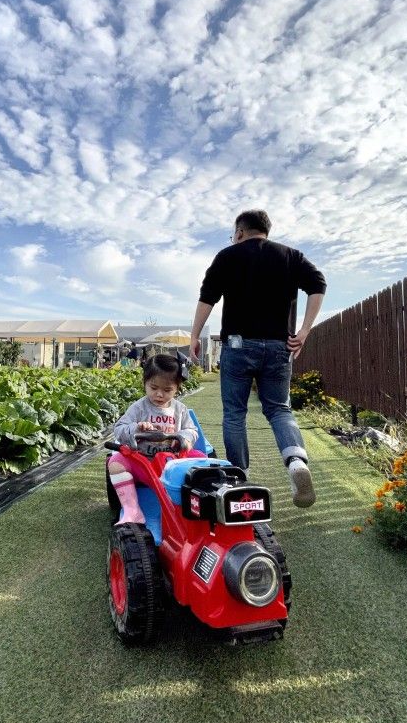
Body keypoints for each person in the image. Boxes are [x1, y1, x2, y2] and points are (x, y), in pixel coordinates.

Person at [190, 209, 326, 508]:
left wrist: (194, 337)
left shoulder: (228, 256)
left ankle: (240, 477)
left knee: (234, 413)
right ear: (266, 230)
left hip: (238, 346)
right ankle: (296, 461)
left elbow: (207, 298)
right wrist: (304, 330)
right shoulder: (291, 256)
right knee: (279, 409)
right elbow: (318, 285)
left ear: (239, 231)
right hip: (280, 345)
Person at [108, 353, 203, 525]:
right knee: (115, 462)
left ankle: (200, 508)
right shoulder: (138, 408)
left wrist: (183, 439)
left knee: (203, 460)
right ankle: (132, 510)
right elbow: (119, 430)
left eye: (167, 390)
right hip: (145, 463)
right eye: (154, 388)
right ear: (144, 383)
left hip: (174, 464)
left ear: (177, 388)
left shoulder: (180, 409)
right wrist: (136, 427)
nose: (159, 394)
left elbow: (192, 430)